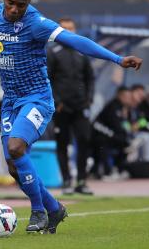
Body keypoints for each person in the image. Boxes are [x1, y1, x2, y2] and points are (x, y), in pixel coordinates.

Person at [0, 0, 142, 234]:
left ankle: (38, 211)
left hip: (37, 99)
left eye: (22, 5)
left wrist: (117, 59)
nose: (15, 9)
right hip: (11, 102)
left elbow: (76, 41)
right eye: (11, 3)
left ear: (28, 5)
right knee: (13, 167)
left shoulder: (37, 23)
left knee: (16, 147)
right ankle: (54, 209)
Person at [47, 17, 95, 195]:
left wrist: (89, 99)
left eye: (70, 28)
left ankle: (81, 181)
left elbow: (90, 78)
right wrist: (56, 102)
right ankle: (67, 180)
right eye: (64, 28)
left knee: (84, 141)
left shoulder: (81, 51)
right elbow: (48, 79)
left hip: (81, 106)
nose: (68, 31)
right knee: (62, 144)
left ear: (75, 30)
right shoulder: (52, 52)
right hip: (62, 108)